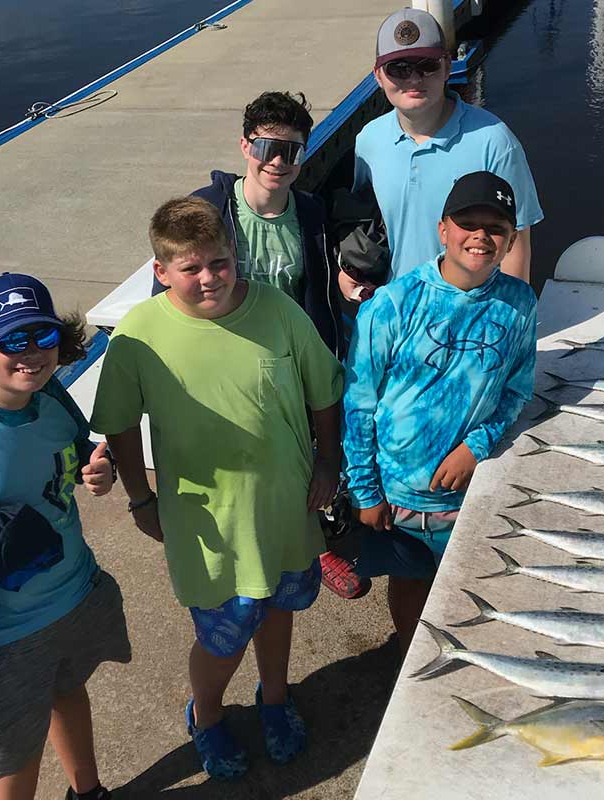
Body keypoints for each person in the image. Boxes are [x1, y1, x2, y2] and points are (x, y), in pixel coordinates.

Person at [91, 197, 343, 779]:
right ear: (161, 272)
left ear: (236, 255)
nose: (211, 278)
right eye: (191, 268)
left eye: (221, 262)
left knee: (278, 609)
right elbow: (121, 425)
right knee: (224, 631)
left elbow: (324, 391)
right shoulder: (137, 336)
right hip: (207, 525)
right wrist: (140, 498)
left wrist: (328, 463)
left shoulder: (278, 310)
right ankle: (206, 715)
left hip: (285, 508)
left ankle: (274, 698)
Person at [152, 90, 367, 601]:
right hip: (223, 373)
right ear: (245, 146)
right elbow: (167, 299)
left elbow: (318, 288)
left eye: (291, 151)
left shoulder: (312, 213)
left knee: (305, 470)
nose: (278, 161)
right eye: (267, 147)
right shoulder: (207, 211)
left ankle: (317, 546)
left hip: (290, 371)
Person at [0, 273, 130, 800]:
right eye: (12, 340)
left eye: (43, 337)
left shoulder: (53, 394)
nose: (32, 355)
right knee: (15, 759)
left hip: (71, 595)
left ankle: (89, 792)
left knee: (68, 692)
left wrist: (96, 469)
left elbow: (78, 450)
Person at [342, 172, 537, 657]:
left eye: (495, 228)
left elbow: (517, 390)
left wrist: (477, 445)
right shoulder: (391, 304)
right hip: (397, 497)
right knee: (408, 585)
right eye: (468, 223)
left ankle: (461, 652)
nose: (481, 237)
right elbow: (359, 404)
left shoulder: (519, 303)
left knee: (468, 586)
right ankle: (414, 658)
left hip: (467, 496)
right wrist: (366, 492)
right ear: (442, 229)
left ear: (512, 239)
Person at [340, 6, 543, 300]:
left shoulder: (494, 141)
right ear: (378, 76)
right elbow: (365, 218)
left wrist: (507, 320)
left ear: (448, 67)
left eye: (427, 65)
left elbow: (516, 241)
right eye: (399, 68)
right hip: (396, 311)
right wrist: (349, 270)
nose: (414, 78)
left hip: (469, 317)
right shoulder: (369, 140)